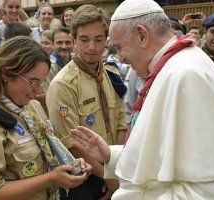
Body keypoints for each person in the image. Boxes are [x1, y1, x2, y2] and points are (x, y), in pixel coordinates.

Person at [70, 0, 214, 199]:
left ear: (142, 35)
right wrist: (111, 156)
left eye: (120, 47)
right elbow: (163, 150)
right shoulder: (172, 66)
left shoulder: (186, 75)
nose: (120, 58)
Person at [0, 36, 92, 200]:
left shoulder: (31, 106)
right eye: (32, 82)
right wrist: (50, 179)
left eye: (41, 83)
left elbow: (46, 155)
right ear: (7, 74)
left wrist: (69, 165)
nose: (38, 91)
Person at [46, 4, 127, 200]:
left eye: (99, 39)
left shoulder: (111, 74)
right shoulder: (64, 84)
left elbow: (121, 123)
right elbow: (71, 143)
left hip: (116, 170)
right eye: (84, 39)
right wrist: (109, 178)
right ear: (74, 40)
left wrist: (117, 170)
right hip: (85, 177)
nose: (92, 47)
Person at [42, 27, 73, 92]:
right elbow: (50, 93)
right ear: (53, 45)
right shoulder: (48, 65)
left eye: (68, 42)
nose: (64, 46)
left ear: (74, 44)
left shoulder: (77, 60)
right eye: (59, 43)